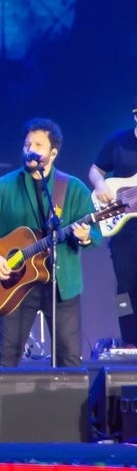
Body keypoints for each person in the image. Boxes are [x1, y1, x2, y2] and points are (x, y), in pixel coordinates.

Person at [0, 118, 100, 367]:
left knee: (69, 359)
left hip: (62, 283)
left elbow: (96, 232)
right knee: (7, 356)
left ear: (53, 153)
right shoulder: (6, 185)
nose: (30, 149)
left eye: (38, 145)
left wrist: (86, 236)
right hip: (16, 285)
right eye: (27, 144)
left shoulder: (72, 188)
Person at [88, 97, 137, 346]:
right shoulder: (117, 141)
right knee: (124, 288)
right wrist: (100, 185)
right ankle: (129, 341)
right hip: (122, 228)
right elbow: (95, 170)